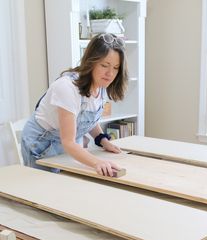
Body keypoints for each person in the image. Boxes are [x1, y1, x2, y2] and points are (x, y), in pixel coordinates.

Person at [21, 33, 128, 177]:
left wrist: (102, 140)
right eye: (104, 65)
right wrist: (97, 162)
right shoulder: (67, 87)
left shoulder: (100, 85)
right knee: (46, 192)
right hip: (42, 145)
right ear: (91, 62)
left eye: (116, 67)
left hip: (69, 145)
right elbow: (68, 142)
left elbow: (86, 119)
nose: (110, 73)